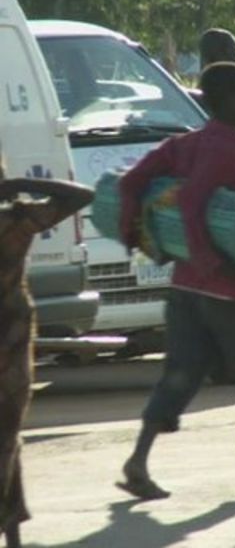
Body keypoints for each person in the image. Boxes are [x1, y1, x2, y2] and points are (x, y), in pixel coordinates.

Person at [117, 64, 235, 499]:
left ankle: (138, 462)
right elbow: (192, 202)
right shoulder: (225, 147)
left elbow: (134, 180)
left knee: (180, 375)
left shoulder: (189, 142)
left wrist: (139, 233)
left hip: (185, 285)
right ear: (225, 99)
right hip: (224, 288)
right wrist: (212, 264)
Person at [0, 144, 93, 548]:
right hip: (12, 341)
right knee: (7, 434)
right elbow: (79, 195)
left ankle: (13, 528)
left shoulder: (14, 221)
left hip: (12, 341)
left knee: (8, 436)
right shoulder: (17, 221)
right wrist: (22, 184)